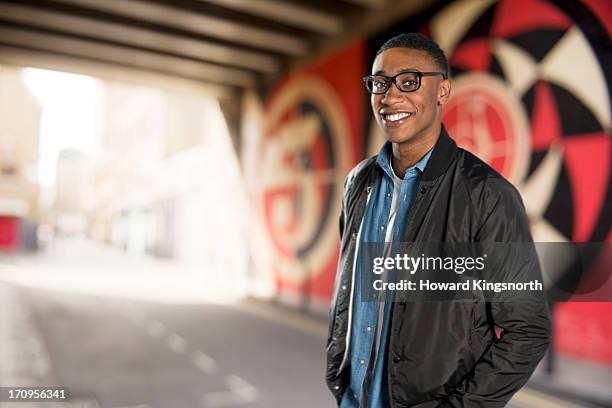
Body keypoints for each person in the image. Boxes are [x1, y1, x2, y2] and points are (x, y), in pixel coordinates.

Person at [325, 33, 551, 408]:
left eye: (409, 81)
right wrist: (338, 375)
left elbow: (528, 331)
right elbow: (351, 288)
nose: (390, 96)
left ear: (442, 91)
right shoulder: (358, 183)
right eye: (379, 83)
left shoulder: (488, 195)